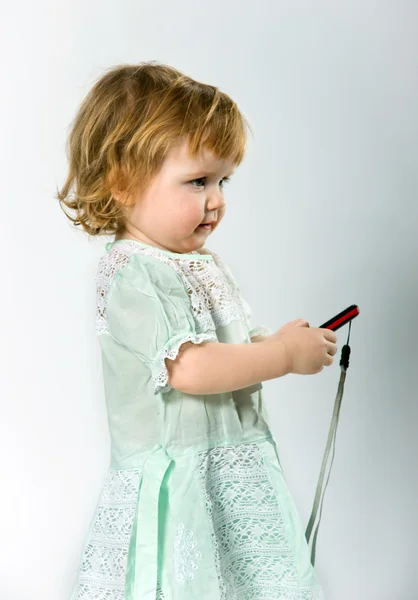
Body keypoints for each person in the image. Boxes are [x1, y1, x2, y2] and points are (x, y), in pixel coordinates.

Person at [57, 61, 337, 600]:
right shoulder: (133, 273)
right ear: (122, 182)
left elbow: (229, 349)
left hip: (233, 466)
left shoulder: (203, 263)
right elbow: (189, 367)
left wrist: (279, 342)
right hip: (181, 481)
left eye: (222, 180)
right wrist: (280, 356)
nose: (216, 200)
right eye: (198, 181)